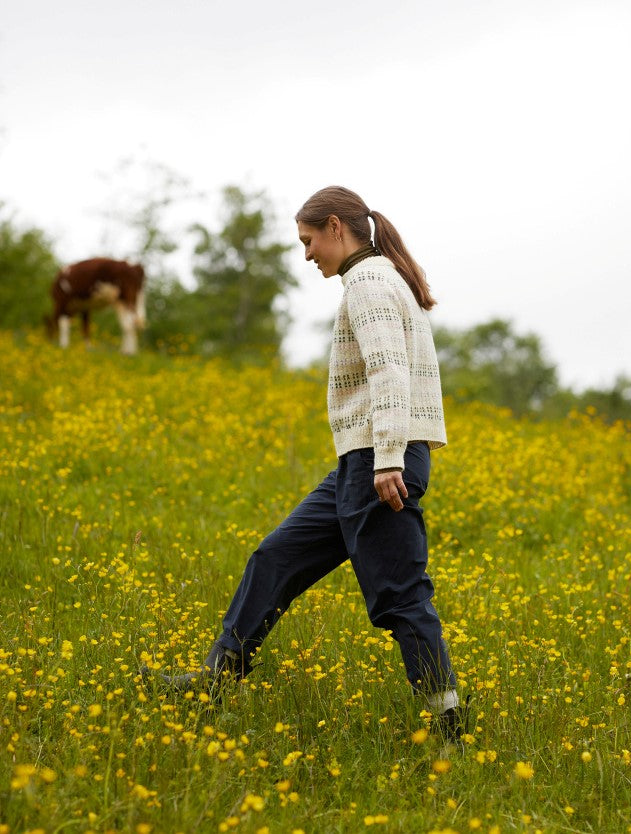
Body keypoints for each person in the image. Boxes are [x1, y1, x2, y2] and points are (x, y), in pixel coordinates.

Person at [144, 186, 464, 740]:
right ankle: (218, 677)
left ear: (335, 227)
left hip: (380, 462)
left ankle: (448, 723)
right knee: (275, 557)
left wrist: (388, 458)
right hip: (362, 462)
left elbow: (390, 373)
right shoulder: (378, 276)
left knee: (400, 597)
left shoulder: (367, 281)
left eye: (309, 240)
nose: (307, 254)